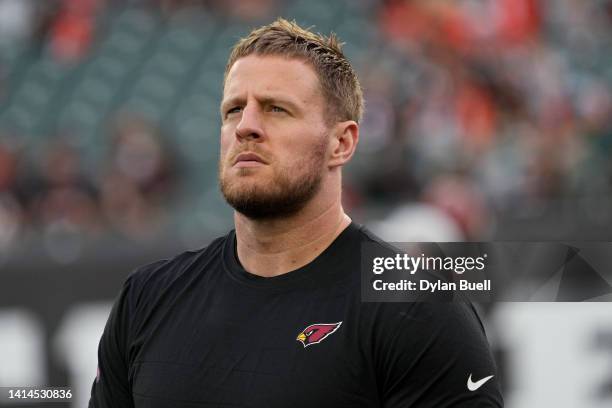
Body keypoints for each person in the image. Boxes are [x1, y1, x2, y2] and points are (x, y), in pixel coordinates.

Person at [89, 18, 503, 407]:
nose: (245, 126)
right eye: (233, 109)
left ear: (341, 143)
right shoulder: (147, 298)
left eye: (276, 109)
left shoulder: (416, 308)